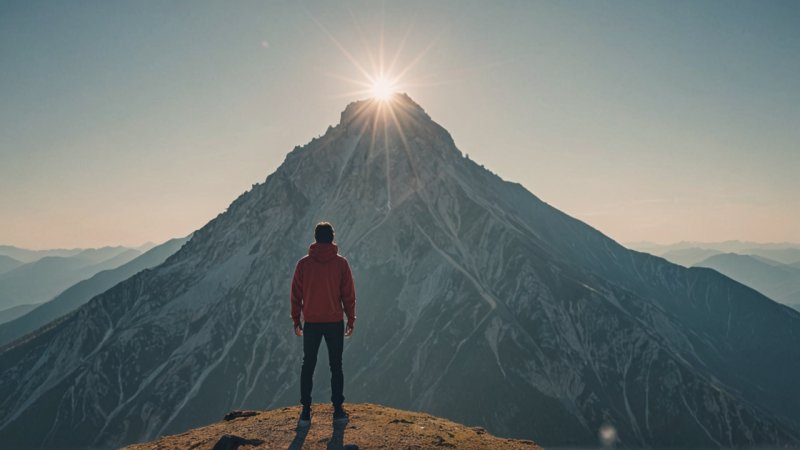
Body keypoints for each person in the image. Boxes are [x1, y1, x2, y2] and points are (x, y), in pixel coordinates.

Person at [291, 221, 356, 427]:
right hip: (334, 321)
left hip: (311, 322)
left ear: (316, 238)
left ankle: (305, 412)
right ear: (332, 238)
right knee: (336, 365)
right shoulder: (341, 263)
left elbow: (295, 295)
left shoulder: (303, 264)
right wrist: (351, 319)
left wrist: (296, 320)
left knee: (308, 365)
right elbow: (348, 295)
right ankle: (337, 410)